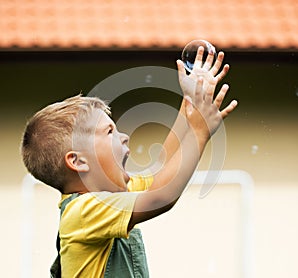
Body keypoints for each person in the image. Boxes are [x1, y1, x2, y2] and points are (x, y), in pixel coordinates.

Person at [21, 47, 237, 278]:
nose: (124, 136)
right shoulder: (82, 211)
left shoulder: (107, 199)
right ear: (78, 161)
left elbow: (161, 172)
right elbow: (162, 195)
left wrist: (190, 106)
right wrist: (199, 132)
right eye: (109, 131)